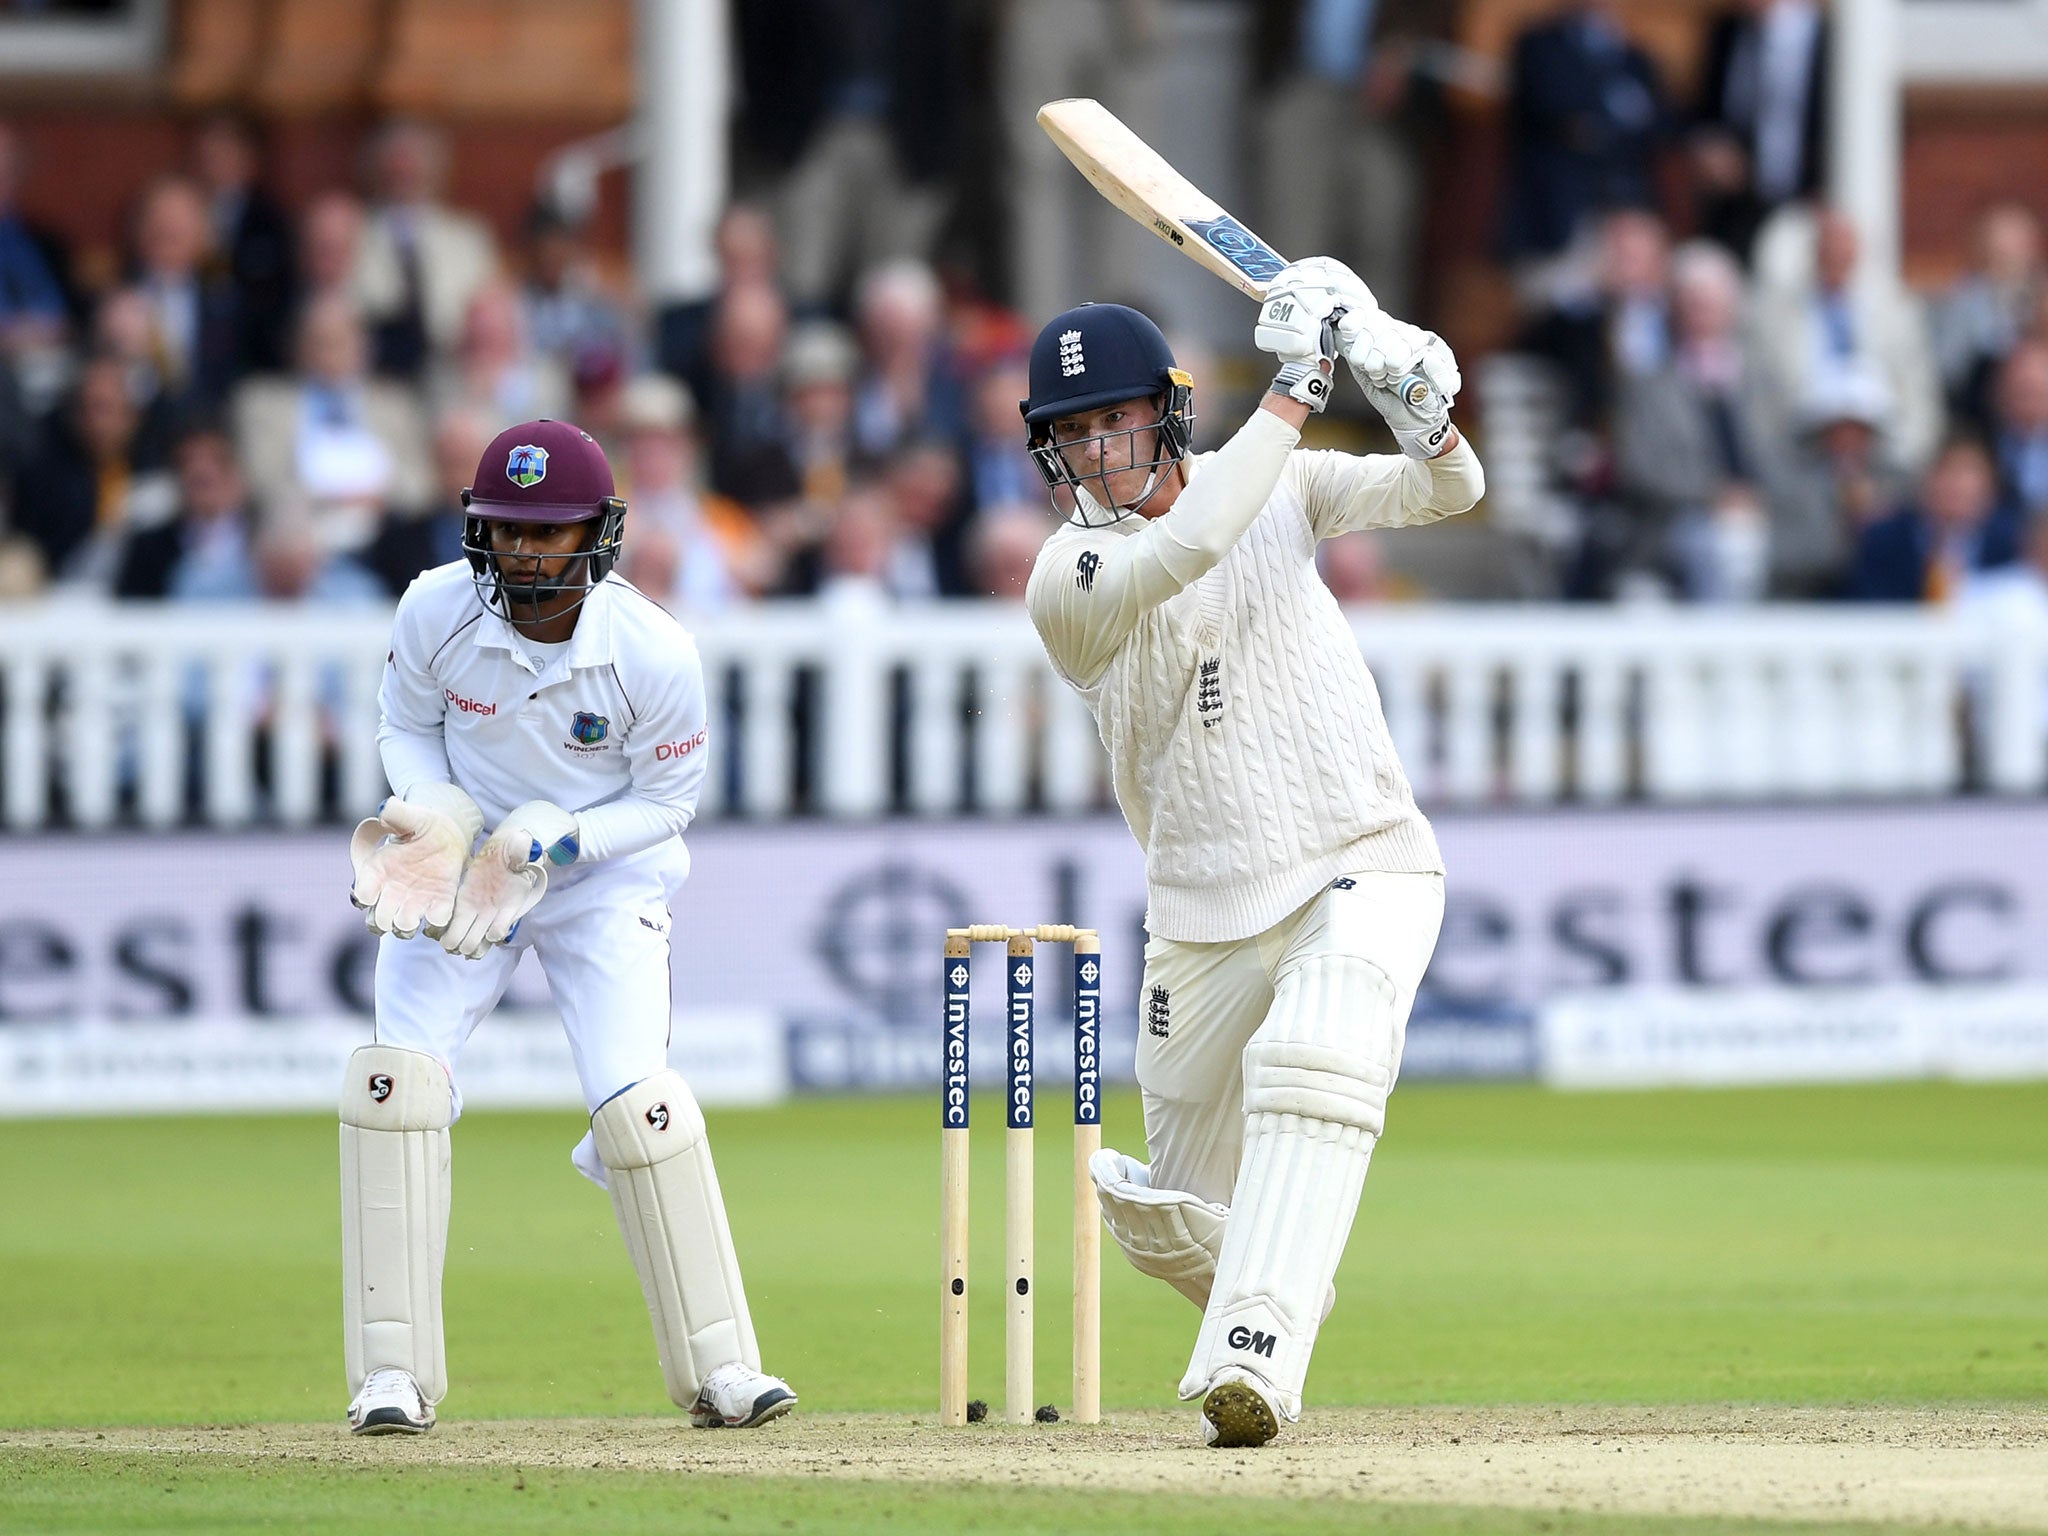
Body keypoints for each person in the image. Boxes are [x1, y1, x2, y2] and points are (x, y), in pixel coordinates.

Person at [1020, 269, 1483, 1446]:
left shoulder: (1279, 481)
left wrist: (1408, 389)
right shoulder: (1064, 578)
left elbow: (1449, 488)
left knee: (1315, 1057)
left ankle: (1254, 1354)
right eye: (1069, 433)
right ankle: (1283, 1260)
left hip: (1361, 851)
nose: (1094, 449)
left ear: (1163, 413)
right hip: (1197, 911)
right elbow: (1189, 544)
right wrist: (1300, 382)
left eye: (1111, 420)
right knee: (1167, 1212)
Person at [340, 418, 795, 1436]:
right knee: (393, 1084)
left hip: (596, 881)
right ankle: (389, 1375)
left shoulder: (653, 650)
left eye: (550, 532)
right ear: (479, 532)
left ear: (601, 530)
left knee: (641, 1109)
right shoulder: (434, 610)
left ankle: (723, 1369)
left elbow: (667, 805)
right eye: (507, 531)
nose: (527, 552)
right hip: (460, 871)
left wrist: (560, 841)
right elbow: (404, 723)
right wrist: (437, 811)